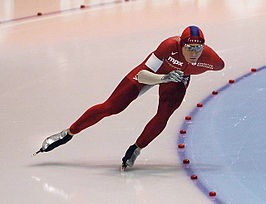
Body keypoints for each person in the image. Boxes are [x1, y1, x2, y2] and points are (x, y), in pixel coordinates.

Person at [34, 25, 224, 170]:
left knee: (164, 114)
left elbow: (216, 66)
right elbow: (142, 75)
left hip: (177, 79)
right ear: (180, 44)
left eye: (198, 50)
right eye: (189, 48)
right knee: (112, 107)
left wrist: (180, 76)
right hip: (152, 73)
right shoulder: (168, 46)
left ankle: (136, 148)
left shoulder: (213, 61)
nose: (194, 54)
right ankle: (68, 133)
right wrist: (163, 78)